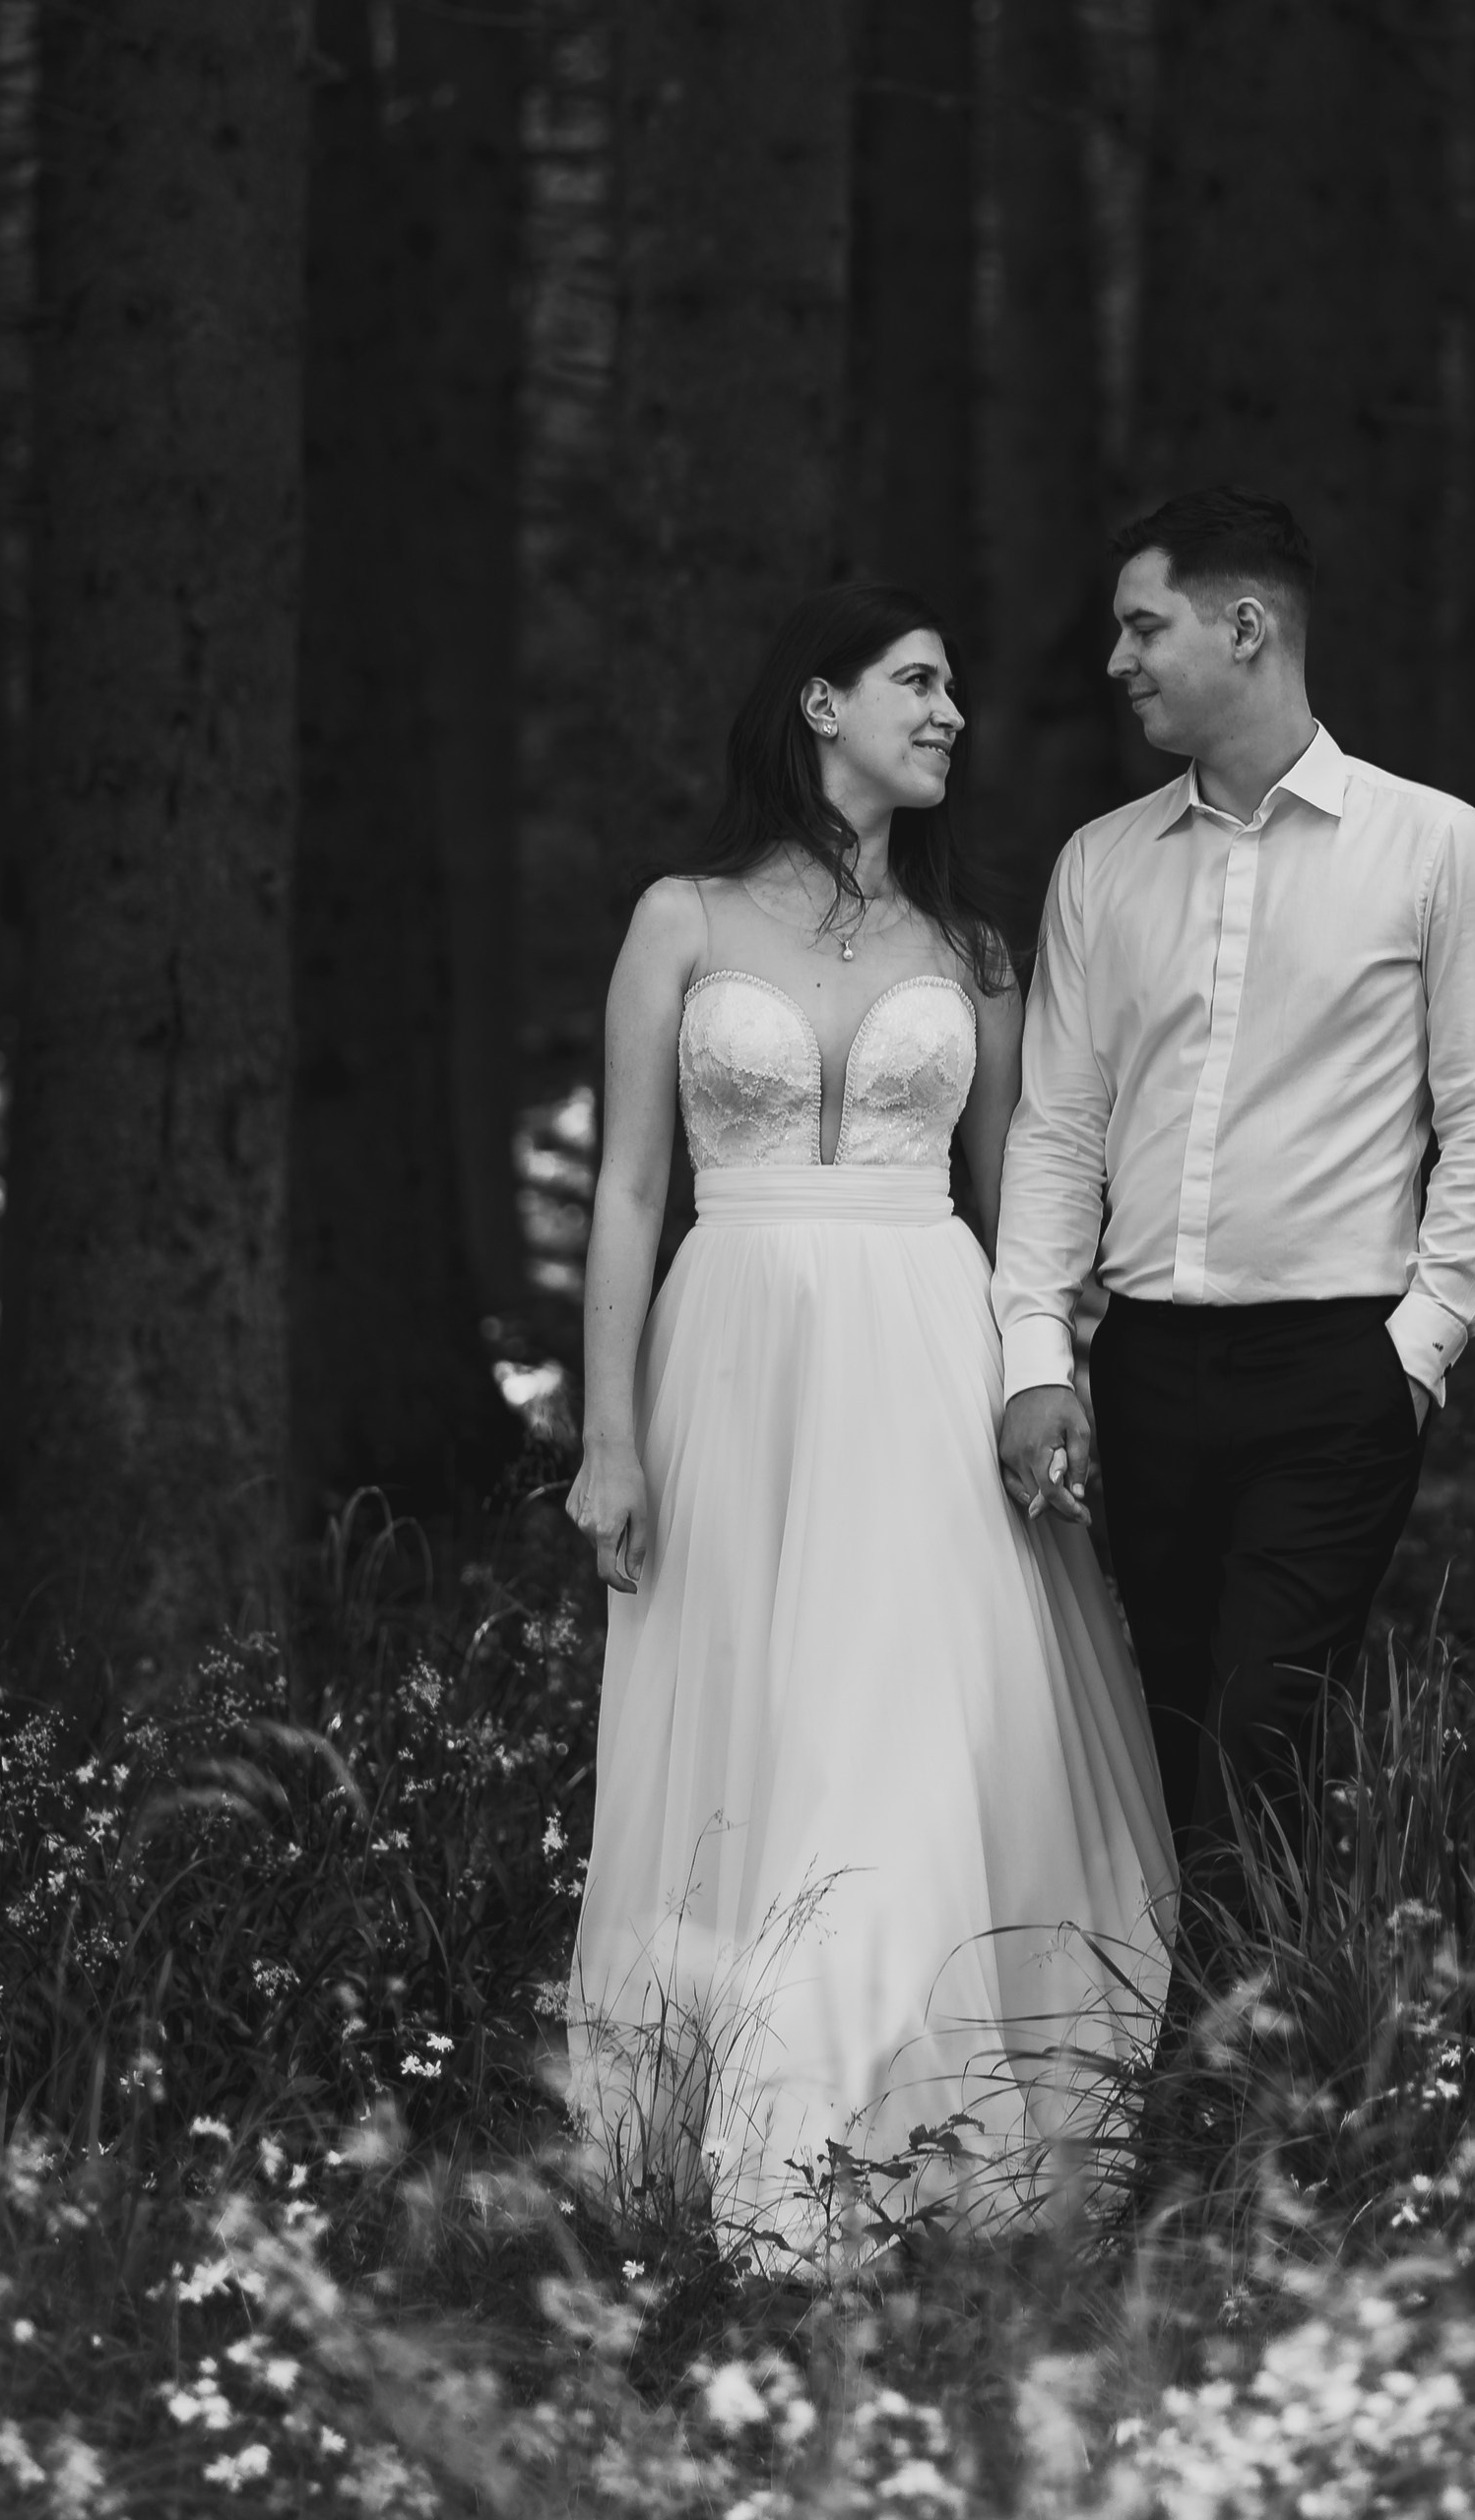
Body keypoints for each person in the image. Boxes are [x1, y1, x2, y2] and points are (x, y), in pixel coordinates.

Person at [563, 583, 1173, 2265]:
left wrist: (1043, 1380)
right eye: (917, 682)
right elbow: (625, 1194)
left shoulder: (971, 953)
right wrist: (608, 1437)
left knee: (905, 1727)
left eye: (958, 689)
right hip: (736, 1361)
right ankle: (730, 2127)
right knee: (756, 1721)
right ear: (819, 707)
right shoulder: (679, 923)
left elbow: (1020, 1208)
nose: (951, 713)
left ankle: (895, 2138)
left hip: (921, 1349)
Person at [994, 486, 1475, 1899]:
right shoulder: (1100, 867)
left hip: (1335, 1375)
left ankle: (1220, 2100)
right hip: (1148, 1367)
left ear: (1245, 628)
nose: (1116, 661)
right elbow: (1058, 1127)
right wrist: (1037, 1355)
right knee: (1173, 1735)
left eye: (1141, 625)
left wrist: (1414, 1356)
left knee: (1261, 1731)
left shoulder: (1436, 848)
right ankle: (1234, 2066)